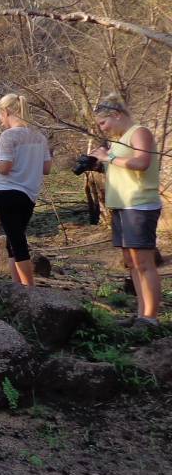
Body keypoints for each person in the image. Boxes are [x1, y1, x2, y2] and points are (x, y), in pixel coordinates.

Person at [89, 94, 163, 326]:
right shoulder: (119, 140)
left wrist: (108, 157)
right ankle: (141, 314)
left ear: (116, 115)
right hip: (121, 205)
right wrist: (99, 163)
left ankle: (151, 318)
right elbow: (123, 169)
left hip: (139, 204)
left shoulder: (140, 132)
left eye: (103, 123)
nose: (102, 129)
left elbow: (142, 163)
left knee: (143, 262)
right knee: (131, 262)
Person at [0, 94, 52, 287]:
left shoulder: (9, 136)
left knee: (16, 240)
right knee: (14, 239)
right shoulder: (39, 136)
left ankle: (29, 289)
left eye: (0, 115)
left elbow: (4, 167)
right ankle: (17, 286)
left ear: (5, 112)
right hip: (29, 193)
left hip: (8, 191)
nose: (1, 120)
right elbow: (46, 169)